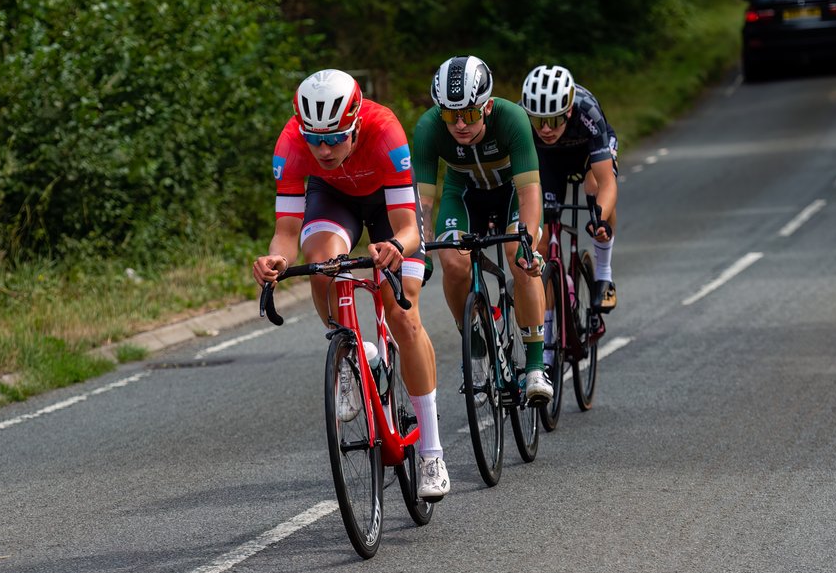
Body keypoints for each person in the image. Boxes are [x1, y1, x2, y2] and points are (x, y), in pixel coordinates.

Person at [251, 68, 449, 500]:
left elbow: (408, 227)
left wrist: (394, 246)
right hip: (333, 197)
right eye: (314, 139)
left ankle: (432, 452)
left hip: (388, 206)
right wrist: (274, 260)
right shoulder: (290, 144)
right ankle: (349, 356)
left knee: (403, 315)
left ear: (356, 125)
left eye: (335, 138)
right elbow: (286, 232)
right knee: (320, 262)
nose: (323, 149)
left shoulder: (386, 131)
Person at [412, 55, 554, 404]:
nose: (460, 124)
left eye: (470, 114)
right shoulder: (428, 128)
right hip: (463, 195)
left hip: (510, 193)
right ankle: (475, 346)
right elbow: (423, 202)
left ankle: (536, 367)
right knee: (452, 261)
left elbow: (529, 192)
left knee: (518, 256)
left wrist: (529, 244)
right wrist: (420, 251)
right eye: (451, 115)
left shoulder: (512, 118)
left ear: (487, 106)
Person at [519, 64, 619, 313]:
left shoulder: (587, 111)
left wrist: (600, 220)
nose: (545, 129)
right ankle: (549, 323)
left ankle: (604, 273)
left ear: (569, 111)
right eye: (538, 121)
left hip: (586, 154)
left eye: (554, 120)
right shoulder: (518, 117)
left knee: (594, 186)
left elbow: (607, 182)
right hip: (548, 159)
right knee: (541, 241)